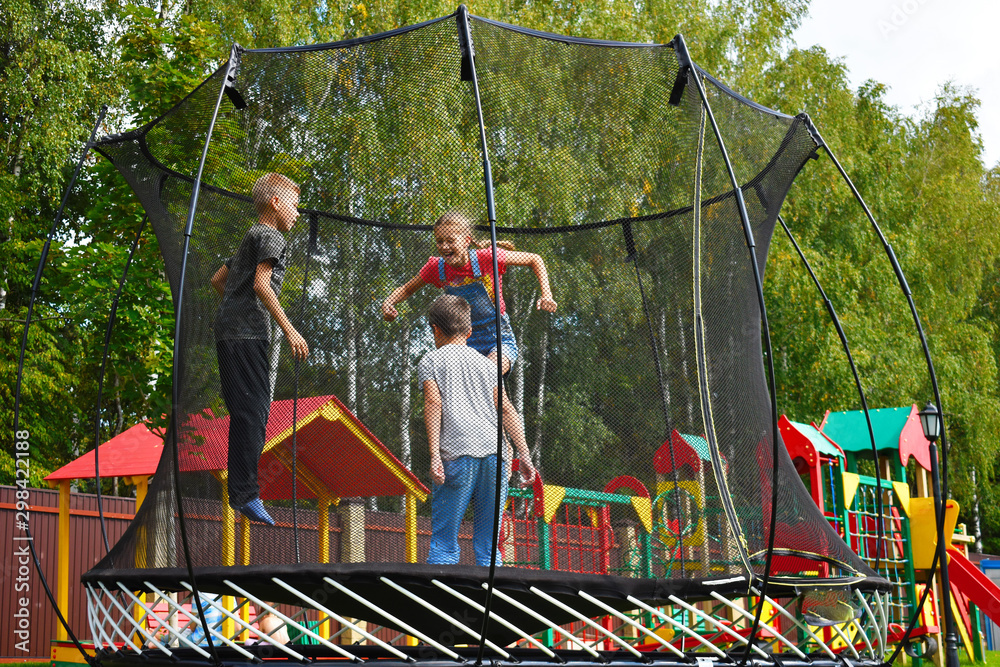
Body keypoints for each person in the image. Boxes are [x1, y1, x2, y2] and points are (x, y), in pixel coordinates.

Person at [211, 173, 309, 525]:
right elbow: (261, 286)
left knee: (245, 412)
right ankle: (246, 493)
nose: (298, 213)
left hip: (229, 332)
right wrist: (290, 329)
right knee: (254, 412)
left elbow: (219, 280)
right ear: (276, 203)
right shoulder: (271, 236)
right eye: (295, 205)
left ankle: (242, 493)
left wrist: (233, 309)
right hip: (248, 335)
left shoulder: (249, 237)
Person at [418, 294, 536, 566]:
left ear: (435, 330)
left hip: (457, 455)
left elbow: (434, 403)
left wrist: (435, 454)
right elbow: (507, 410)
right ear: (469, 331)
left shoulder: (431, 361)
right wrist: (525, 457)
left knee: (445, 542)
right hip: (496, 459)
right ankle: (491, 603)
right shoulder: (487, 365)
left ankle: (442, 600)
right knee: (488, 546)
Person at [382, 210, 557, 375]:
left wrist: (546, 294)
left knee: (487, 374)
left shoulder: (487, 258)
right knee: (451, 382)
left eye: (450, 241)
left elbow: (535, 259)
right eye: (439, 241)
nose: (444, 246)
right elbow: (406, 288)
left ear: (466, 240)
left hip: (498, 339)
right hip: (461, 342)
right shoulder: (436, 267)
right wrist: (389, 302)